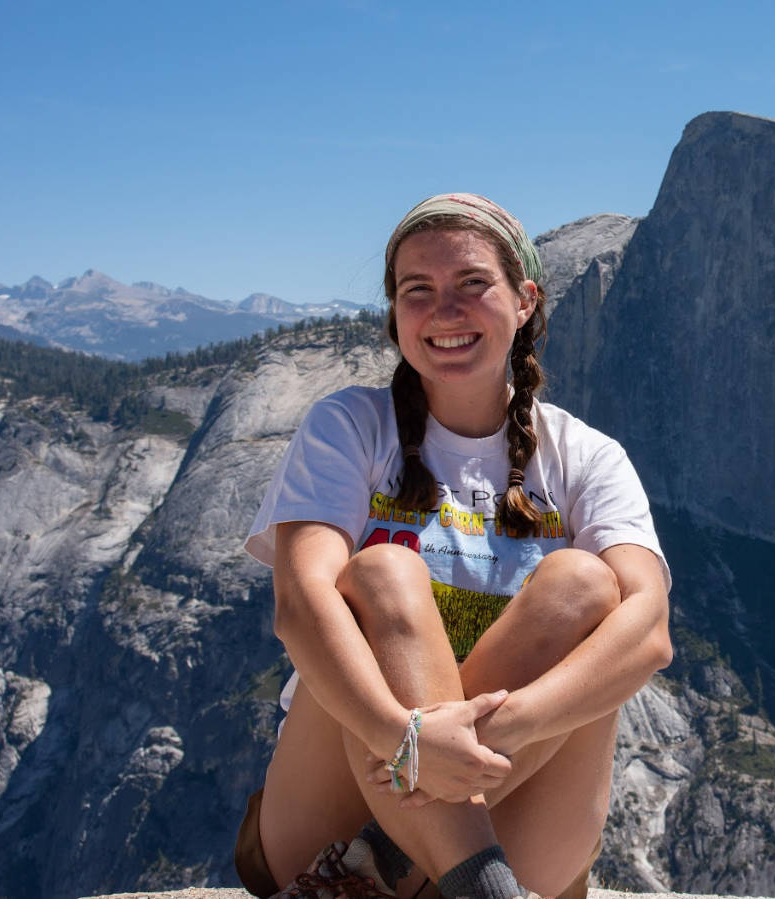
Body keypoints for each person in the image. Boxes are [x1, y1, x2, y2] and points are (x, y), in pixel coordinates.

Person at [237, 193, 672, 899]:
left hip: (510, 797)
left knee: (586, 585)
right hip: (338, 804)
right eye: (418, 290)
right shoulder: (349, 426)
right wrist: (405, 739)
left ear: (525, 301)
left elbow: (649, 629)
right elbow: (301, 601)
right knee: (382, 573)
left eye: (472, 283)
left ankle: (393, 860)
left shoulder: (587, 458)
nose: (445, 310)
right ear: (395, 313)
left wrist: (497, 733)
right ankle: (479, 885)